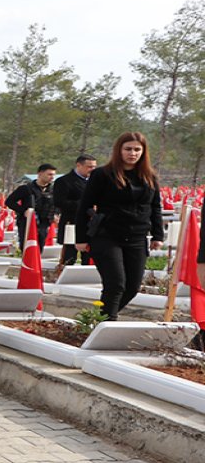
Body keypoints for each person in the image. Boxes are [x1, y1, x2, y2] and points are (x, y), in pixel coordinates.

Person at [75, 132, 164, 321]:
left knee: (132, 287)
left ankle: (96, 320)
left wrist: (158, 235)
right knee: (115, 283)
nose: (132, 153)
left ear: (143, 152)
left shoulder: (150, 176)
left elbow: (155, 206)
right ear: (119, 150)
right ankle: (107, 324)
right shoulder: (102, 174)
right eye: (128, 149)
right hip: (107, 235)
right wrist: (81, 238)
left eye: (137, 149)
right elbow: (85, 206)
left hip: (137, 237)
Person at [53, 154, 97, 266]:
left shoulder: (95, 181)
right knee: (69, 256)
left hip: (90, 225)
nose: (92, 170)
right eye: (89, 167)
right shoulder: (64, 181)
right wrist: (84, 205)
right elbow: (59, 202)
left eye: (94, 167)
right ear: (79, 165)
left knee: (89, 256)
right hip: (71, 223)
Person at [7, 164, 57, 250]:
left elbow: (57, 204)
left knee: (40, 246)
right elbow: (9, 202)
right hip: (27, 223)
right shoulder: (26, 189)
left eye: (53, 175)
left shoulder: (53, 190)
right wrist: (24, 211)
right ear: (40, 174)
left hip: (44, 223)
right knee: (27, 248)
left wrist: (56, 213)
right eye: (49, 174)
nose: (52, 177)